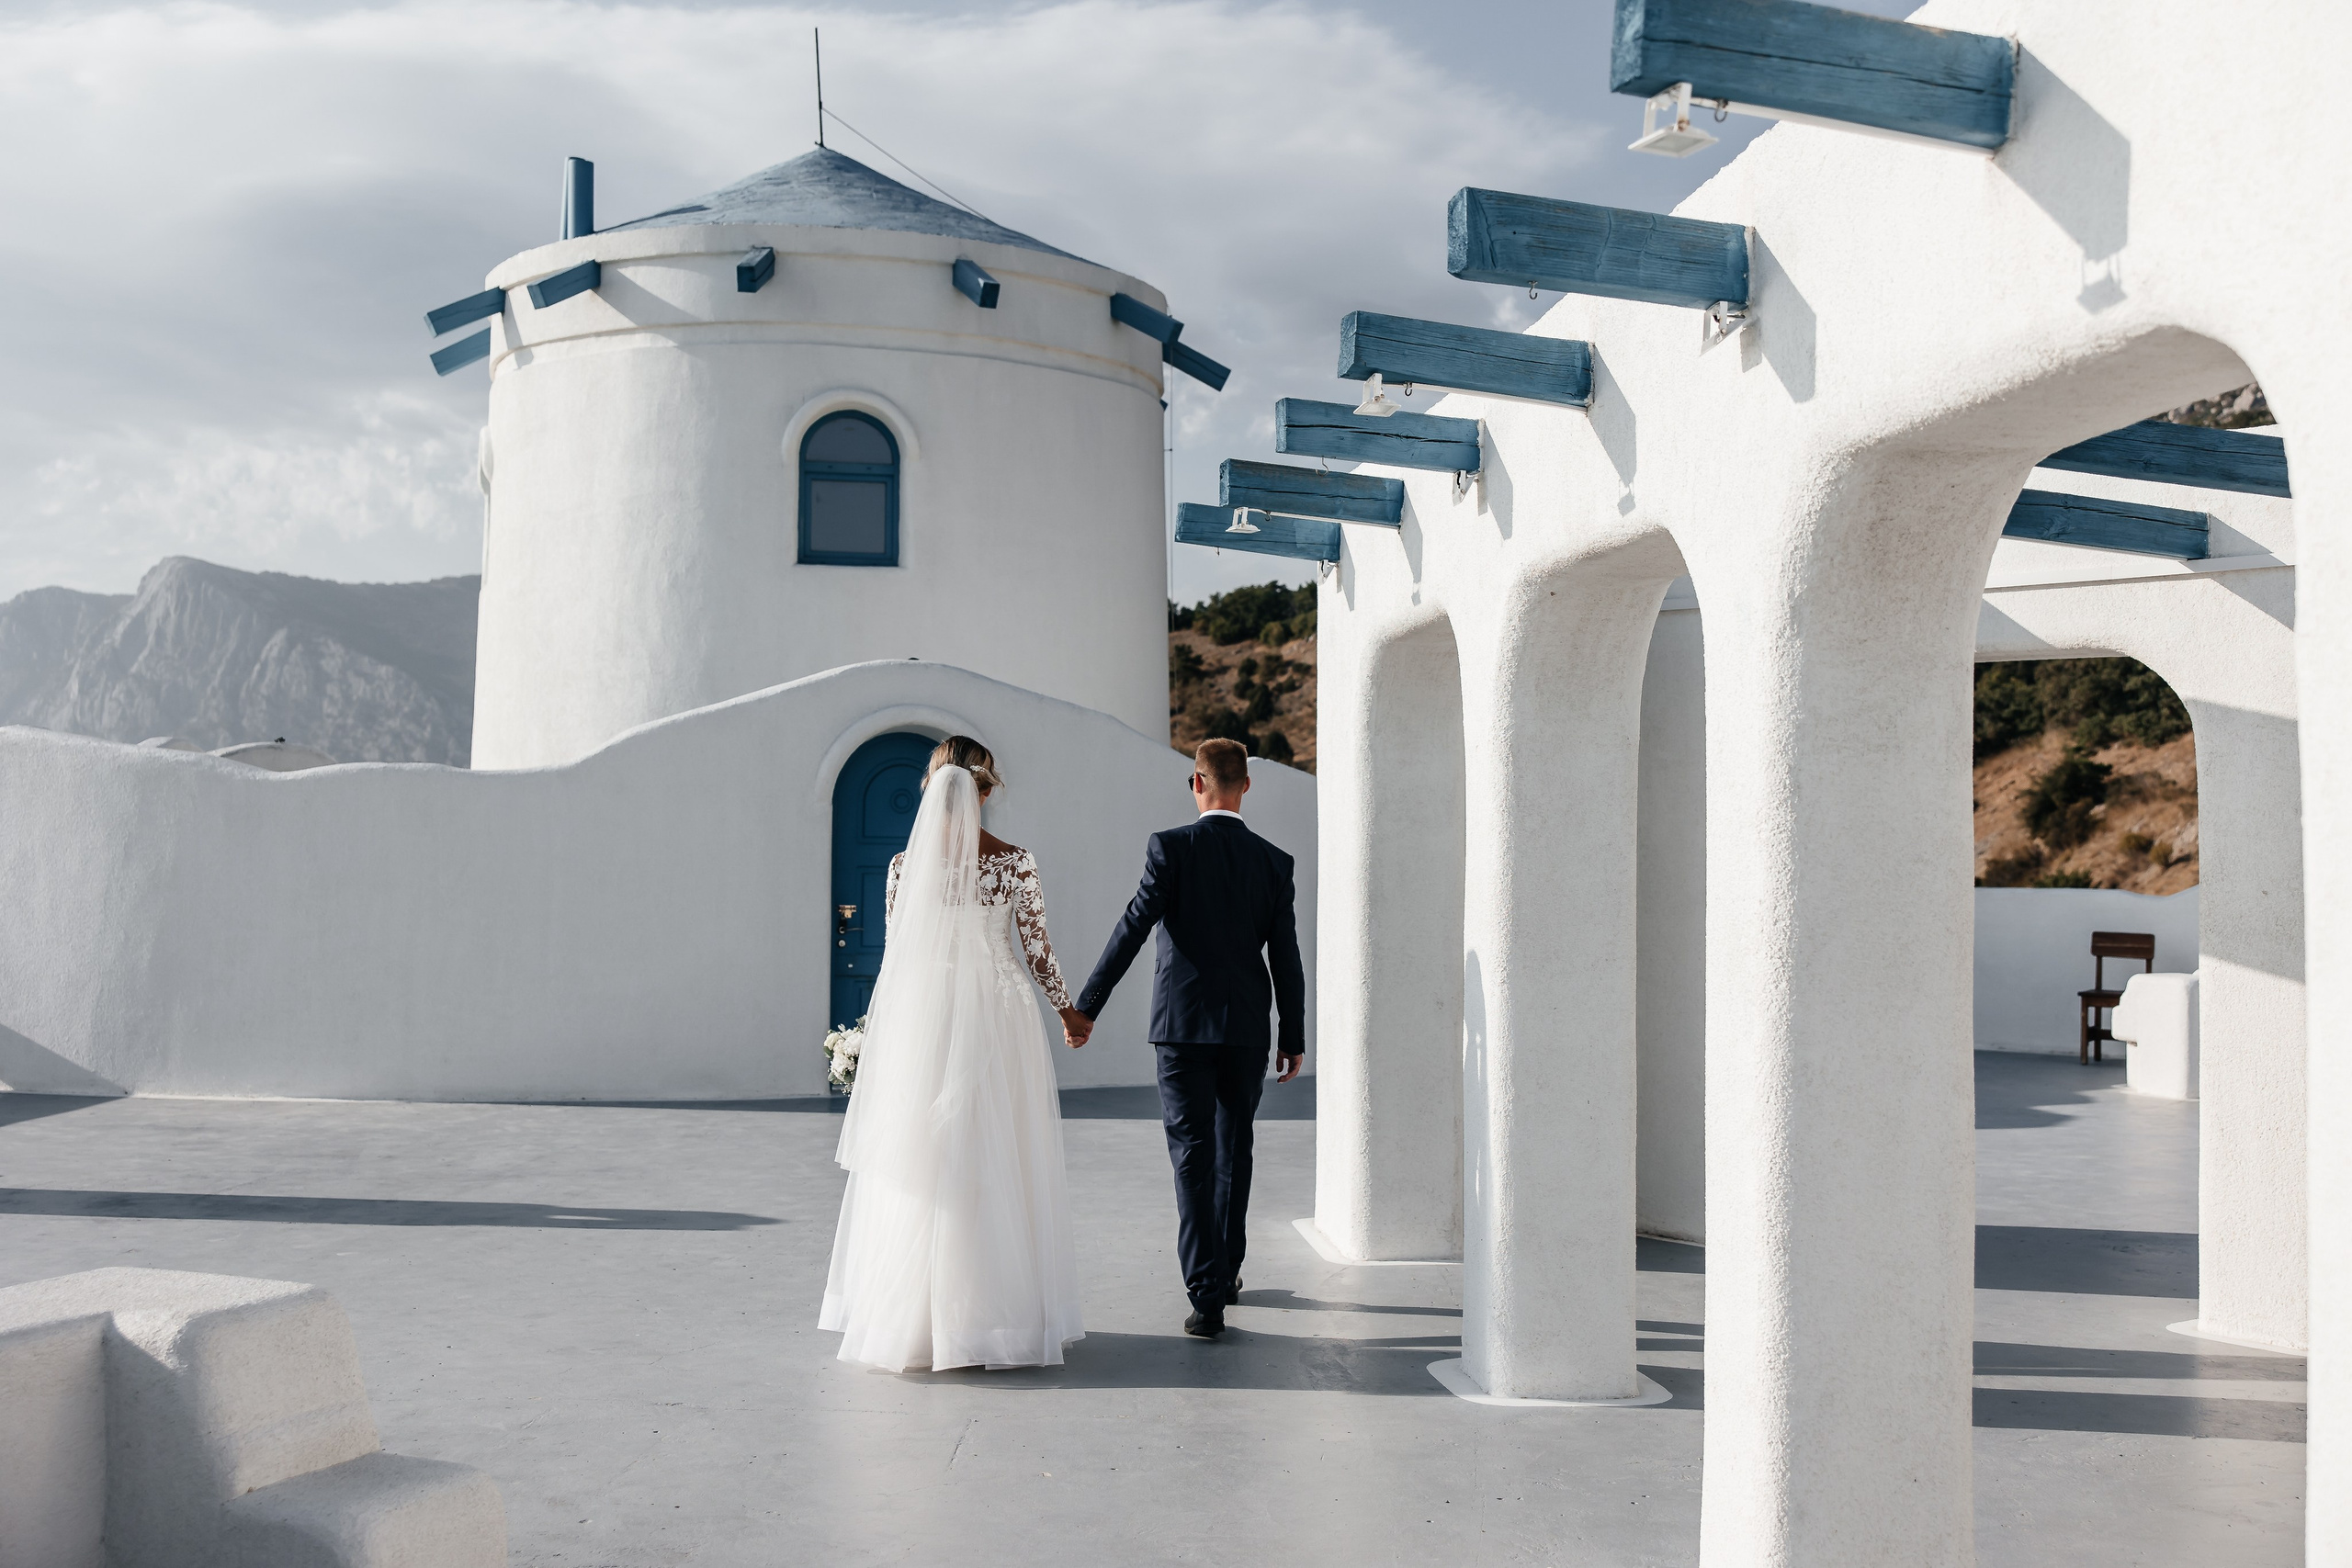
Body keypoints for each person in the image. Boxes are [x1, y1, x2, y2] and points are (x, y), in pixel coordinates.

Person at [820, 736, 1093, 1371]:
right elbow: (1037, 949)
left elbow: (897, 961)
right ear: (987, 790)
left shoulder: (900, 868)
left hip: (928, 1019)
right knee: (999, 1156)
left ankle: (917, 1319)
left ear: (930, 788)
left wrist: (882, 1035)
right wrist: (1067, 1011)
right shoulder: (1015, 862)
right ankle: (995, 1318)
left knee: (926, 1158)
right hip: (999, 1018)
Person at [1069, 738, 1306, 1338]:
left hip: (1180, 1028)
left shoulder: (1170, 849)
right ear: (1246, 784)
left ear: (1196, 783)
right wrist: (1293, 1033)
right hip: (1247, 1029)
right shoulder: (1275, 862)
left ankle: (1207, 1297)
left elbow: (1132, 925)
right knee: (1235, 1148)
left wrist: (1087, 1006)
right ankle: (1225, 1273)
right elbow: (1286, 957)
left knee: (1192, 1155)